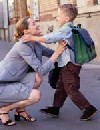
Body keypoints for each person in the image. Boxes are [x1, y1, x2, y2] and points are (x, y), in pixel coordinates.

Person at [22, 4, 97, 121]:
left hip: (70, 65)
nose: (57, 18)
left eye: (58, 15)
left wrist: (33, 38)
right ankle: (55, 108)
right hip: (66, 65)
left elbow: (52, 37)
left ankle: (88, 108)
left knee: (71, 89)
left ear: (66, 19)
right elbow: (54, 38)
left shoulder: (67, 30)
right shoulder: (67, 29)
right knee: (61, 87)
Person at [0, 17, 66, 126]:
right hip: (2, 85)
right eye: (34, 24)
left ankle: (20, 110)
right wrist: (56, 54)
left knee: (37, 78)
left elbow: (52, 53)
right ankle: (4, 110)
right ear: (26, 31)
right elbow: (41, 69)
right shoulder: (22, 46)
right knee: (36, 95)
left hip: (12, 82)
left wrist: (63, 48)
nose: (38, 25)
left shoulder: (35, 43)